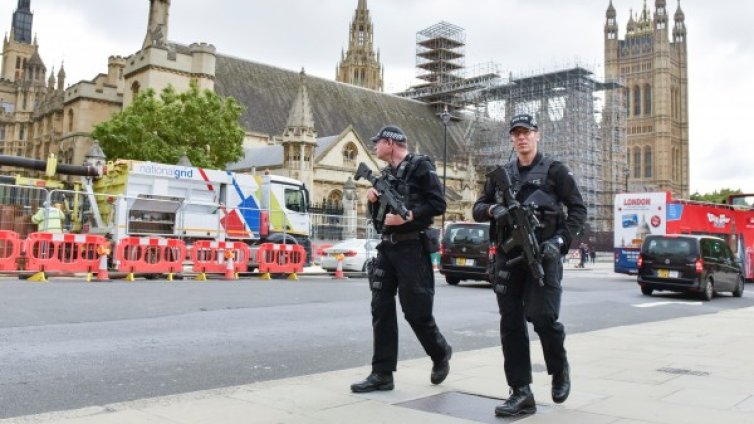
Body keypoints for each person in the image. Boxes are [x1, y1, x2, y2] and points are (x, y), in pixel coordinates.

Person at [472, 113, 586, 417]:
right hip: (509, 258)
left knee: (543, 317)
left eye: (527, 132)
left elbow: (578, 210)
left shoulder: (555, 171)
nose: (522, 138)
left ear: (537, 135)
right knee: (511, 325)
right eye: (516, 133)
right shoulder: (501, 175)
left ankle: (559, 368)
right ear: (512, 139)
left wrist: (560, 243)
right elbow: (478, 208)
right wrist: (494, 209)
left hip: (543, 255)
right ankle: (521, 392)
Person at [350, 125, 452, 393]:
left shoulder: (421, 166)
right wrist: (373, 200)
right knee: (380, 307)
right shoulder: (385, 175)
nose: (375, 147)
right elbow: (378, 220)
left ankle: (440, 352)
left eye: (378, 143)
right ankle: (382, 373)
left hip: (412, 248)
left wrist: (409, 216)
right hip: (388, 247)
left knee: (416, 311)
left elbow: (438, 204)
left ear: (391, 143)